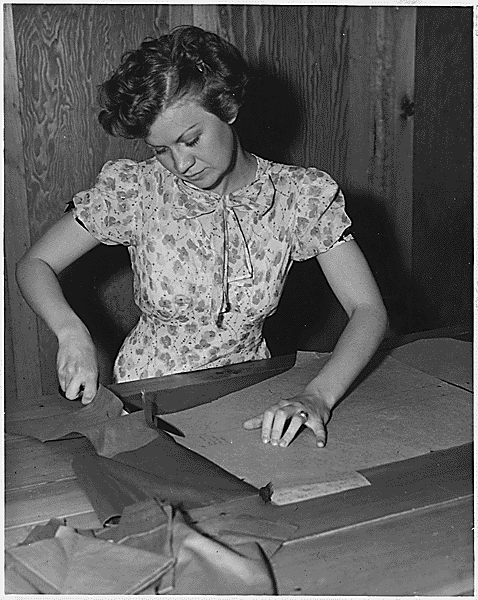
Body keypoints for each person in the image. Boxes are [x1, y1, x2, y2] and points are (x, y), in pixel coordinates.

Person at [16, 25, 388, 449]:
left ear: (228, 108)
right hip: (147, 400)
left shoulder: (299, 197)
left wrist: (317, 396)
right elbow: (34, 264)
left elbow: (367, 308)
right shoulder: (138, 191)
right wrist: (70, 331)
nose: (181, 163)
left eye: (191, 139)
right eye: (160, 149)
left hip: (251, 393)